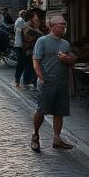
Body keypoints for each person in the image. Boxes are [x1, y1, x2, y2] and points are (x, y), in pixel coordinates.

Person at [31, 15, 78, 152]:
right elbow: (36, 61)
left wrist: (67, 59)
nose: (63, 26)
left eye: (64, 24)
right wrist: (41, 77)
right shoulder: (42, 41)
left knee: (59, 111)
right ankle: (35, 135)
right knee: (41, 109)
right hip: (47, 81)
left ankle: (57, 138)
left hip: (62, 82)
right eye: (60, 24)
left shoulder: (65, 43)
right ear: (51, 26)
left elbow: (72, 60)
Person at [13, 9, 29, 88]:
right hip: (20, 45)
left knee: (22, 63)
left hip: (19, 44)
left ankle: (20, 81)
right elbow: (25, 31)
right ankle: (18, 81)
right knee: (21, 63)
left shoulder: (18, 20)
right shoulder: (20, 20)